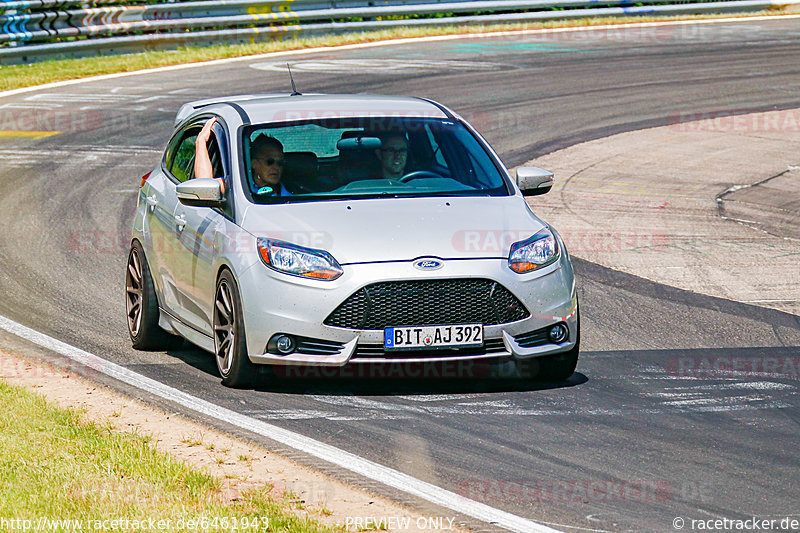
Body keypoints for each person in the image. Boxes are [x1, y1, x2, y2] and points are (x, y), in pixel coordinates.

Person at [194, 117, 291, 196]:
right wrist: (201, 142)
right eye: (270, 161)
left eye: (280, 163)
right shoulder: (235, 186)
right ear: (254, 163)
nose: (276, 167)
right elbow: (204, 189)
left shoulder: (291, 197)